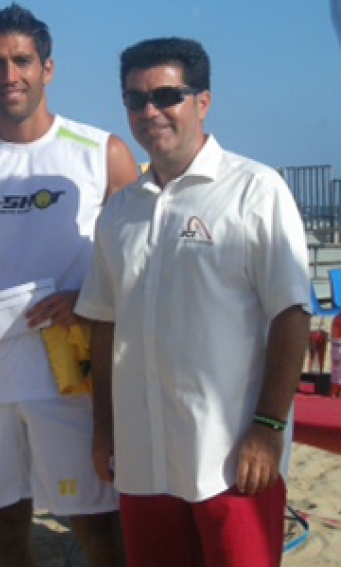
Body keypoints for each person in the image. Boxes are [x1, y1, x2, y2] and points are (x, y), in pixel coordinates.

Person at [0, 3, 138, 567]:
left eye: (21, 61)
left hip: (72, 378)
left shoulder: (101, 152)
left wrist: (87, 303)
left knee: (95, 523)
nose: (8, 75)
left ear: (48, 68)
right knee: (2, 520)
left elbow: (141, 265)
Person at [74, 37, 311, 567]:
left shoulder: (255, 190)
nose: (149, 111)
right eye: (135, 99)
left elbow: (292, 314)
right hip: (144, 460)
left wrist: (269, 428)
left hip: (230, 460)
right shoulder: (120, 212)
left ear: (202, 102)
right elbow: (106, 326)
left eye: (166, 95)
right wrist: (105, 430)